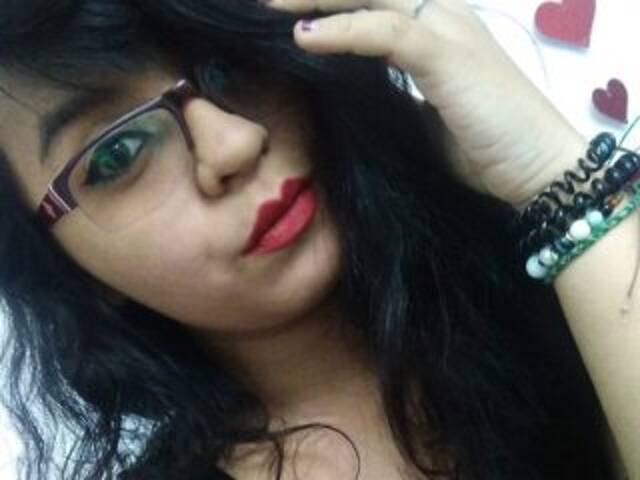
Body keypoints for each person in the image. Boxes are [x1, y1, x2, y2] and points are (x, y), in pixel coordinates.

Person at [0, 0, 634, 478]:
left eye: (226, 65)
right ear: (64, 267)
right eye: (118, 154)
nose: (234, 143)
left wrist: (555, 181)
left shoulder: (554, 283)